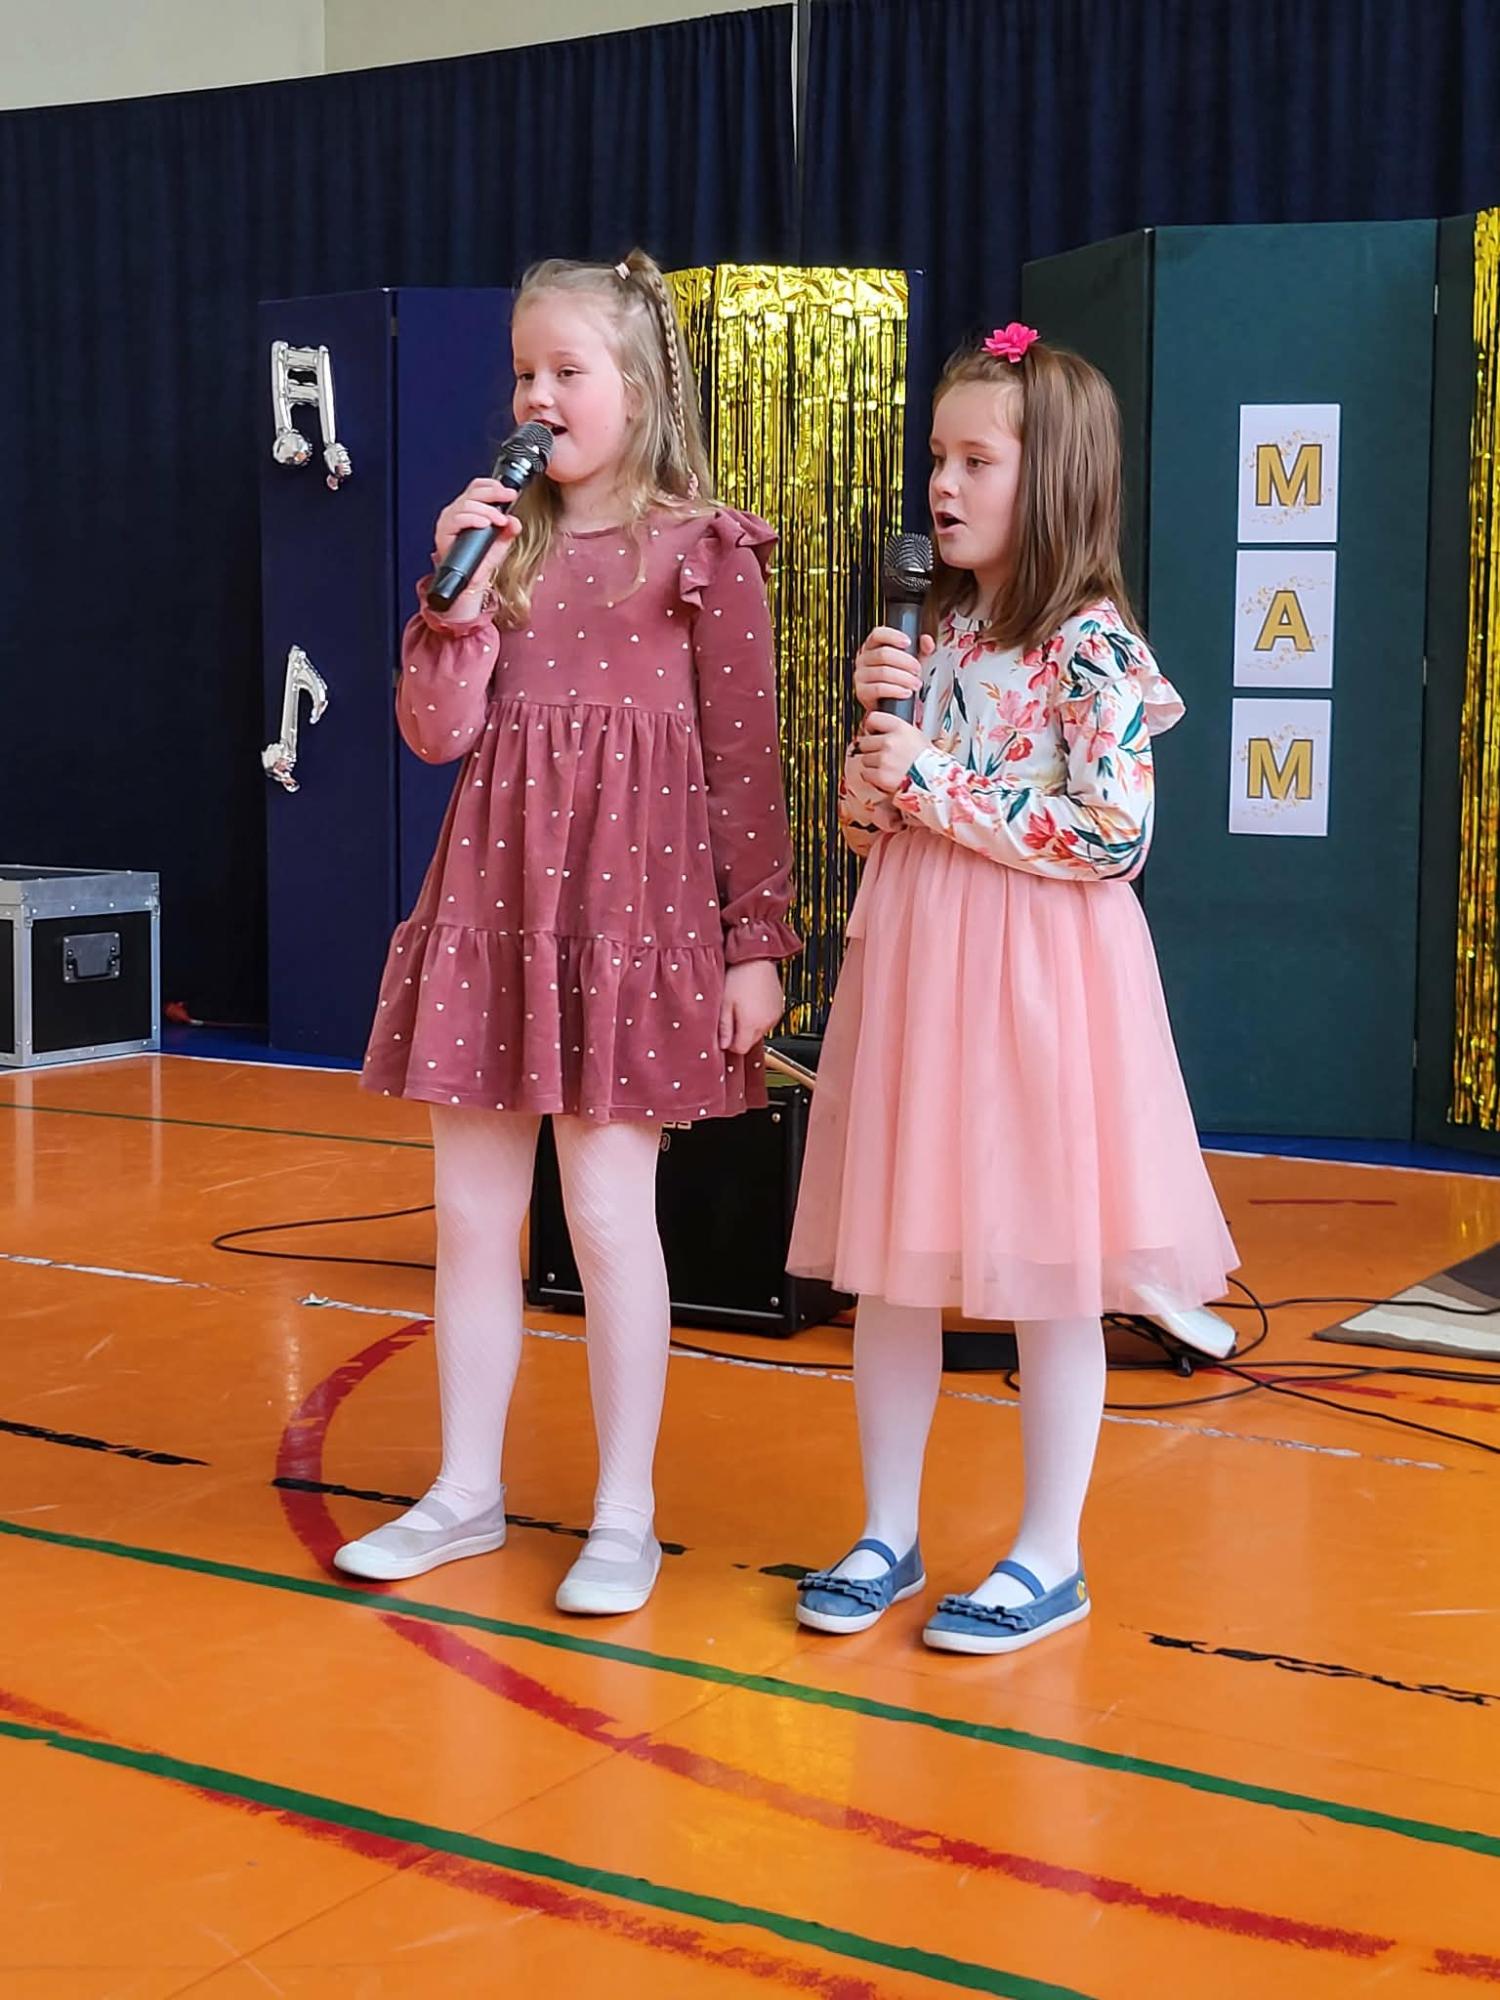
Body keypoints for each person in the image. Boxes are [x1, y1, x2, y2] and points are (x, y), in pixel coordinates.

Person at [337, 249, 799, 1615]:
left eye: (568, 370)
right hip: (495, 909)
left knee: (605, 1213)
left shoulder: (702, 551)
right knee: (474, 1215)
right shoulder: (502, 550)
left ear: (636, 387)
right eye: (524, 373)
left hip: (630, 916)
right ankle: (463, 1492)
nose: (538, 396)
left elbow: (745, 763)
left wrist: (755, 941)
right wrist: (450, 603)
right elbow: (436, 735)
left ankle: (625, 1514)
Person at [787, 323, 1237, 1655]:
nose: (943, 484)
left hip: (1041, 981)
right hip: (920, 966)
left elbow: (1113, 834)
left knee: (1050, 1271)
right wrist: (873, 769)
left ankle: (1051, 1553)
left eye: (977, 460)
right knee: (891, 1264)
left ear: (1056, 478)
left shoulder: (1090, 645)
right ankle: (888, 1529)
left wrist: (928, 777)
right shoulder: (933, 636)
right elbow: (875, 832)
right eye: (938, 456)